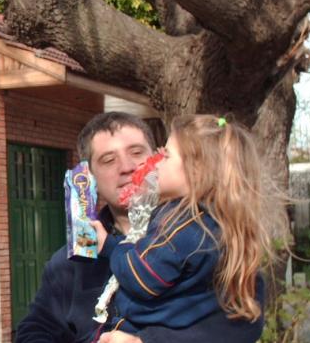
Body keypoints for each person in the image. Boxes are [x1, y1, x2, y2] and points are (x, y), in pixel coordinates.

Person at [14, 112, 266, 343]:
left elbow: (243, 325)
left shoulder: (211, 237)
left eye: (137, 152)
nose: (127, 167)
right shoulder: (72, 263)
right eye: (108, 160)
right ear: (91, 178)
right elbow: (35, 330)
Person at [91, 115, 286, 341]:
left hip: (141, 329)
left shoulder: (182, 224)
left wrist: (110, 247)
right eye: (108, 160)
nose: (157, 161)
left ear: (196, 171)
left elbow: (141, 276)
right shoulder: (217, 226)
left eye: (167, 155)